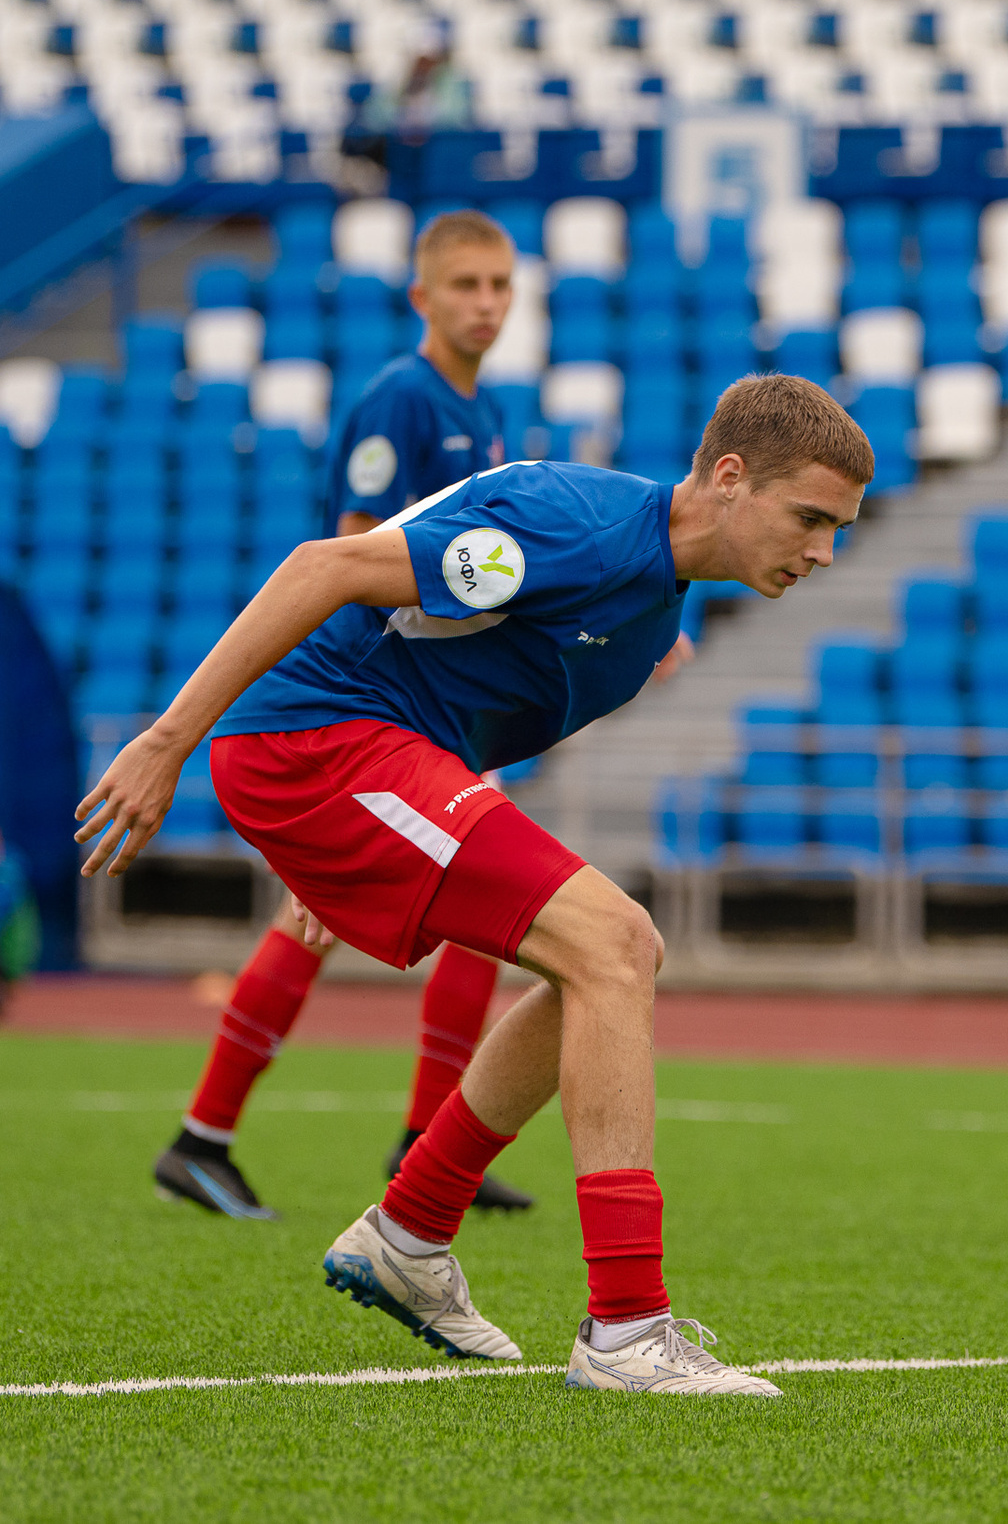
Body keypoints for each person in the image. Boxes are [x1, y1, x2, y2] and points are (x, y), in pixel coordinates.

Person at [79, 373, 871, 1395]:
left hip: (376, 757)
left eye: (839, 529)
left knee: (615, 957)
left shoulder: (648, 616)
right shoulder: (573, 530)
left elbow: (455, 688)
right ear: (727, 478)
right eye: (810, 518)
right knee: (614, 944)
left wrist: (364, 845)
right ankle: (628, 1331)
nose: (822, 552)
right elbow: (325, 566)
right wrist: (166, 741)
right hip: (310, 741)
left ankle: (411, 1228)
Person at [154, 208, 547, 1222]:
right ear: (422, 297)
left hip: (428, 700)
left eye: (500, 285)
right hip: (374, 698)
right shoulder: (400, 401)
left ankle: (412, 1138)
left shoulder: (483, 405)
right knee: (362, 914)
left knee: (463, 917)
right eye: (466, 284)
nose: (487, 303)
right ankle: (209, 1138)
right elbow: (356, 556)